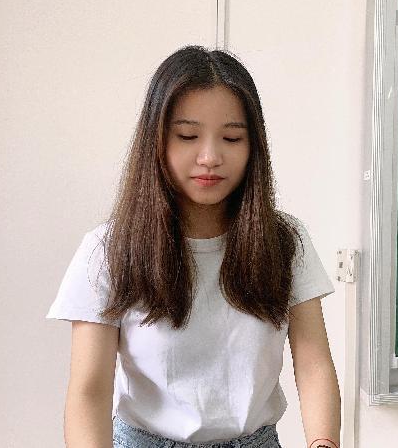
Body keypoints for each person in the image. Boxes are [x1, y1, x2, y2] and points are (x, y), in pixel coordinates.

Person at [46, 46, 341, 448]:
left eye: (232, 138)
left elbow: (314, 365)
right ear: (157, 140)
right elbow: (88, 392)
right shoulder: (109, 250)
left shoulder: (285, 242)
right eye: (187, 136)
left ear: (253, 145)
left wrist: (323, 443)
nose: (210, 157)